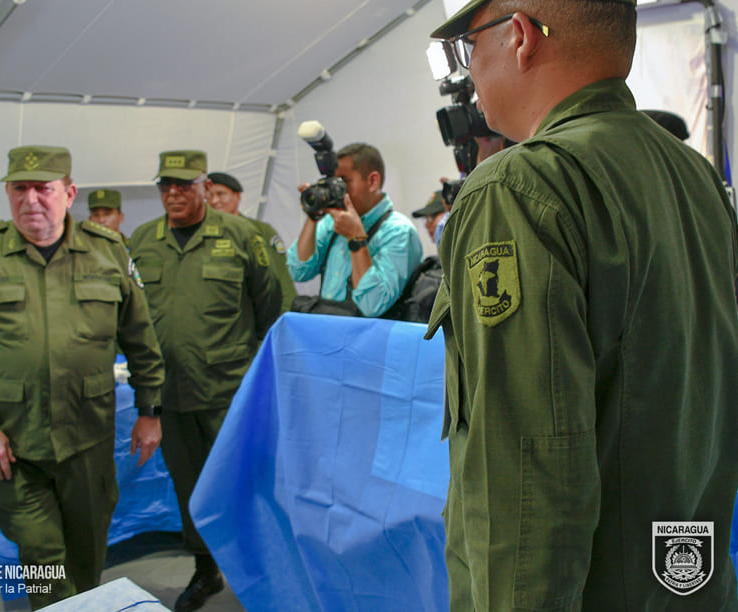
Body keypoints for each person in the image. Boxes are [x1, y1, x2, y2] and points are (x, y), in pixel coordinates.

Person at [427, 1, 738, 610]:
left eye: (469, 45)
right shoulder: (694, 175)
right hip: (688, 582)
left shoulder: (519, 187)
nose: (469, 70)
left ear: (520, 36)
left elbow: (526, 461)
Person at [0, 145, 166, 609]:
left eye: (43, 188)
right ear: (8, 193)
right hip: (17, 447)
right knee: (43, 562)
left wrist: (150, 411)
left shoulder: (107, 251)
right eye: (19, 188)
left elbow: (141, 339)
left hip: (88, 442)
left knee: (87, 555)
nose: (31, 199)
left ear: (69, 193)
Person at [129, 150, 282, 611]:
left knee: (245, 484)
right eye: (166, 185)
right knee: (189, 487)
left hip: (227, 394)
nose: (173, 193)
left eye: (184, 184)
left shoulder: (242, 235)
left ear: (204, 186)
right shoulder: (143, 241)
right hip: (171, 395)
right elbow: (131, 316)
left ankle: (262, 576)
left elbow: (271, 308)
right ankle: (206, 570)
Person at [286, 142, 423, 317]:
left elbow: (372, 305)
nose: (336, 191)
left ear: (373, 181)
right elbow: (298, 272)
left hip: (368, 333)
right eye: (332, 183)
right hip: (327, 328)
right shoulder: (331, 223)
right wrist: (313, 216)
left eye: (343, 182)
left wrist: (356, 239)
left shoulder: (398, 232)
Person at [207, 171, 297, 311]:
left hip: (252, 313)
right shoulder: (202, 234)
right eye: (209, 195)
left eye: (221, 194)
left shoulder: (260, 231)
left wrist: (285, 314)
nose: (214, 201)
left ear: (237, 196)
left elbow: (281, 277)